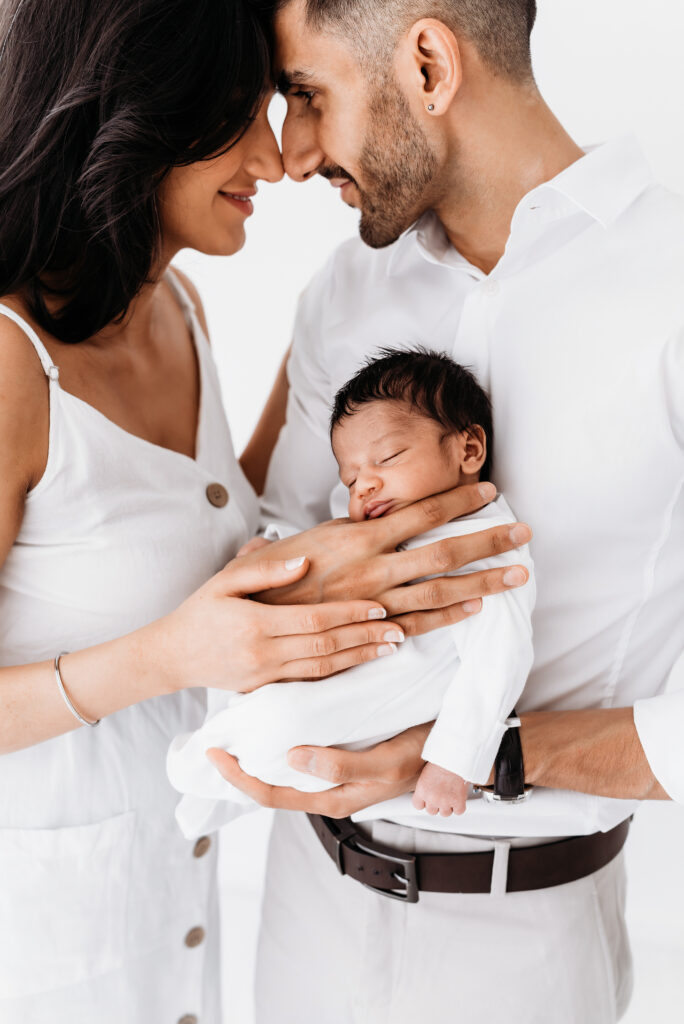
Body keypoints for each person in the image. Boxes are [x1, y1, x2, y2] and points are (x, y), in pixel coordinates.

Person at [0, 1, 531, 1020]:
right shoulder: (13, 364)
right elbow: (185, 628)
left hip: (178, 924)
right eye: (243, 114)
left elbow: (201, 547)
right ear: (138, 116)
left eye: (282, 105)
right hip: (40, 953)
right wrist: (169, 657)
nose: (279, 158)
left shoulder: (173, 308)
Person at [206, 0, 684, 1021]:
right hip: (303, 913)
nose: (291, 155)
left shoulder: (672, 288)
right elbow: (274, 549)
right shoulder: (344, 289)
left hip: (528, 949)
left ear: (427, 63)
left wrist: (493, 749)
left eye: (306, 96)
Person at [167, 349, 534, 831]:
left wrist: (454, 762)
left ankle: (205, 769)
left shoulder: (485, 549)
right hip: (338, 676)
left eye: (387, 457)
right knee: (252, 675)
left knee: (278, 729)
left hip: (377, 704)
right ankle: (206, 764)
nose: (365, 485)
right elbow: (332, 559)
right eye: (351, 477)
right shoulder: (392, 528)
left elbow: (500, 661)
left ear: (468, 450)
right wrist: (274, 554)